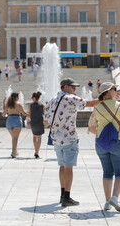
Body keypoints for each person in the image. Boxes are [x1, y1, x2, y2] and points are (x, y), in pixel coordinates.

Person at [44, 78, 99, 207]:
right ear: (66, 87)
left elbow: (46, 122)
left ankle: (62, 195)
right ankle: (67, 197)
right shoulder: (71, 98)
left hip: (56, 139)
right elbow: (90, 104)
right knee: (69, 167)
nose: (75, 90)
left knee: (62, 166)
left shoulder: (52, 100)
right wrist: (105, 98)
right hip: (69, 137)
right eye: (73, 87)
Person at [88, 82, 120, 213]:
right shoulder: (119, 106)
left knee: (107, 172)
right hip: (118, 141)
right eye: (114, 89)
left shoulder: (97, 108)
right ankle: (115, 198)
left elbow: (90, 127)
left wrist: (102, 134)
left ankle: (107, 202)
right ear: (108, 91)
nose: (116, 91)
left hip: (101, 144)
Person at [2, 92, 29, 158]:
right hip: (17, 119)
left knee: (13, 138)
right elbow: (24, 113)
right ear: (17, 97)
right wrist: (31, 114)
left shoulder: (8, 104)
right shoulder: (19, 104)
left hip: (9, 120)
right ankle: (13, 152)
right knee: (15, 138)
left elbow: (3, 114)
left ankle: (15, 151)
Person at [29, 91, 44, 158]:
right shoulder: (42, 105)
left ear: (34, 98)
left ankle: (36, 151)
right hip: (40, 122)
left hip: (34, 123)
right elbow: (44, 113)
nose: (32, 99)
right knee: (39, 137)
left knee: (34, 137)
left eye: (32, 97)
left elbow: (29, 114)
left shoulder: (31, 105)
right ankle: (37, 152)